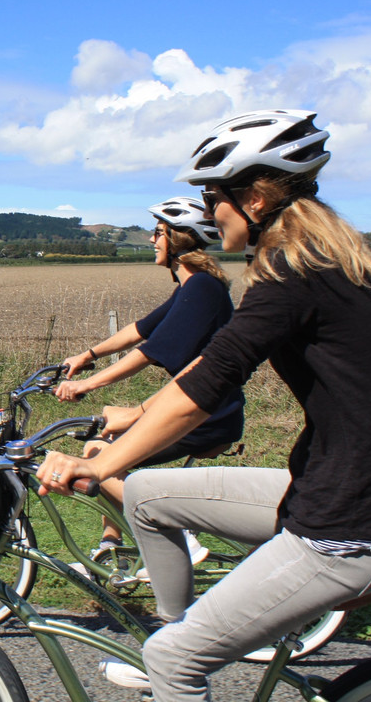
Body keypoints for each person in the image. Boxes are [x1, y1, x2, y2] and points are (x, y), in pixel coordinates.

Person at [37, 109, 371, 701]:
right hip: (329, 485)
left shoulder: (291, 270)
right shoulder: (327, 262)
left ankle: (175, 658)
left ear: (254, 198)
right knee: (145, 497)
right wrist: (136, 420)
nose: (206, 211)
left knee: (174, 662)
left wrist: (100, 464)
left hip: (352, 521)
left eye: (212, 194)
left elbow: (208, 385)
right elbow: (210, 361)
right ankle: (183, 635)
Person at [55, 197, 243, 561]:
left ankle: (178, 537)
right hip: (204, 409)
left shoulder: (203, 287)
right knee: (110, 442)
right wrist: (87, 356)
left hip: (207, 415)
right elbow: (137, 331)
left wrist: (87, 385)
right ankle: (114, 546)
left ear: (179, 239)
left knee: (97, 452)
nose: (152, 240)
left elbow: (150, 351)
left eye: (158, 233)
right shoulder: (193, 287)